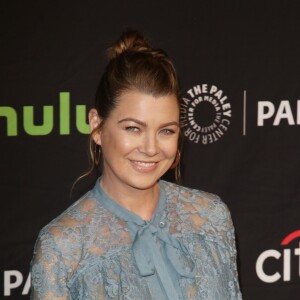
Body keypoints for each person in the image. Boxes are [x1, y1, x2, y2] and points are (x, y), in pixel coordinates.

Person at [30, 30, 242, 300]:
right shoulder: (62, 247)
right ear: (97, 126)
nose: (151, 148)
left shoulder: (212, 217)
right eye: (133, 128)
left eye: (166, 131)